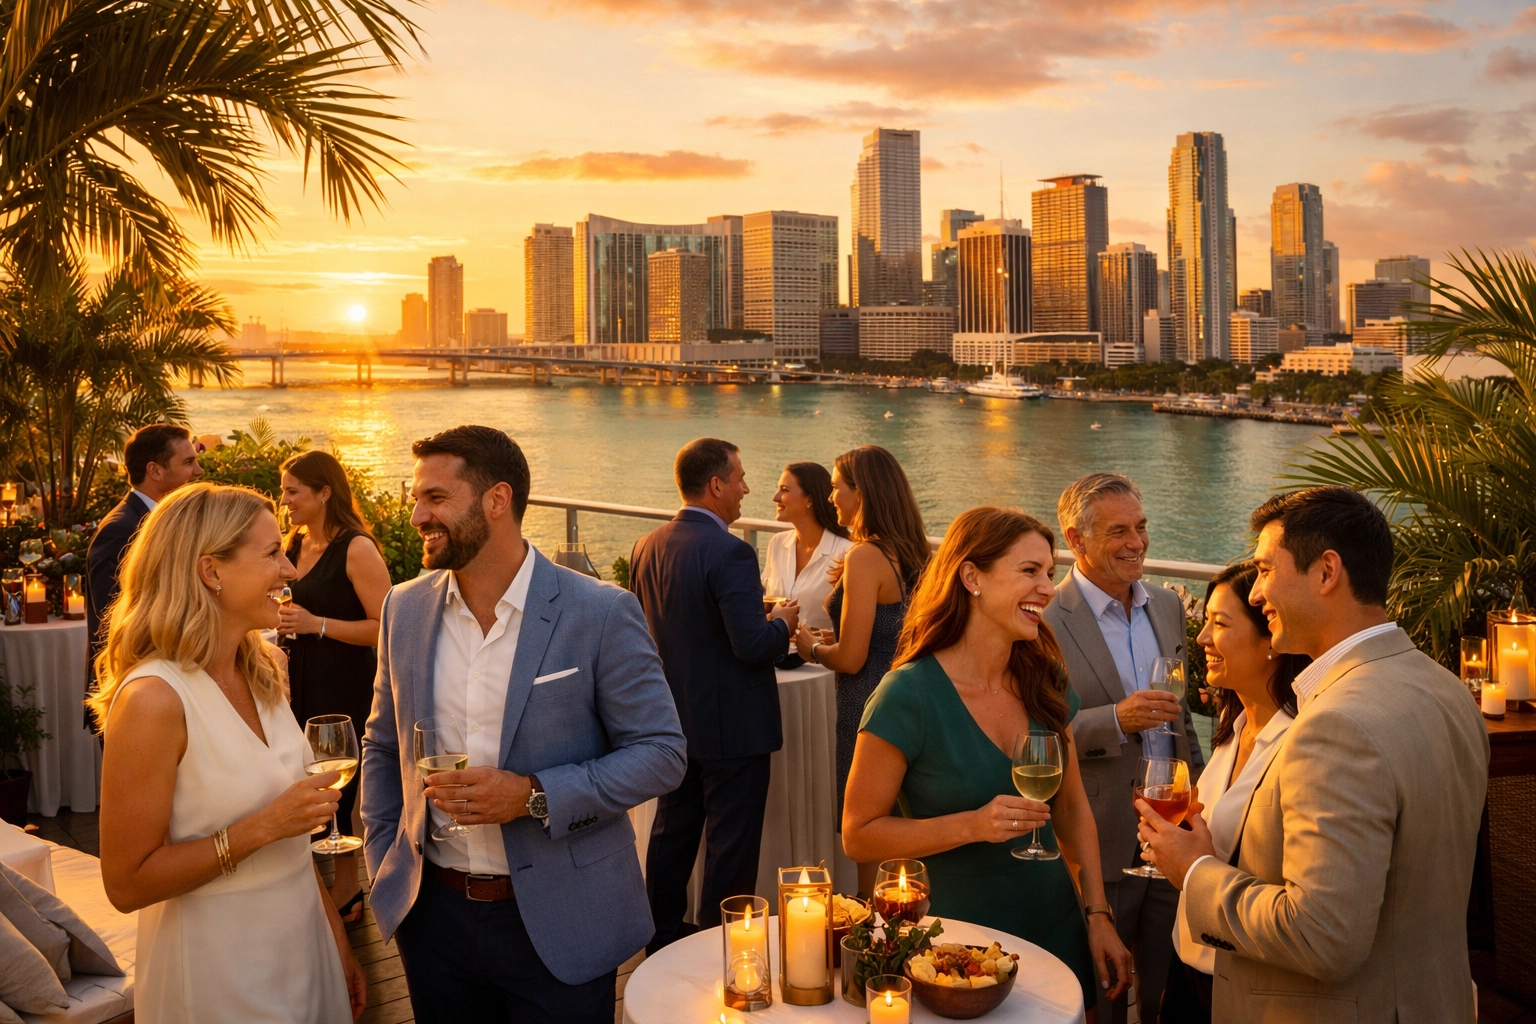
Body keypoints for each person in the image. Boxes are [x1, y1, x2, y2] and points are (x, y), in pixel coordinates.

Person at [361, 425, 687, 1023]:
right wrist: (386, 858)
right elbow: (383, 745)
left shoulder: (601, 611)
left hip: (562, 923)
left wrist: (534, 795)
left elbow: (662, 752)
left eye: (435, 498)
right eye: (416, 498)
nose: (417, 515)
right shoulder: (402, 608)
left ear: (496, 500)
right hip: (433, 918)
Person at [1140, 487, 1490, 1024]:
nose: (1256, 593)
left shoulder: (1335, 724)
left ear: (1327, 572)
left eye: (1264, 569)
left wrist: (1196, 870)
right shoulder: (1446, 691)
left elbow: (1321, 935)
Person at [90, 482, 365, 1023]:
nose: (289, 570)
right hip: (220, 972)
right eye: (272, 554)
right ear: (211, 571)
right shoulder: (155, 699)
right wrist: (261, 827)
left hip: (303, 950)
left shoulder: (261, 670)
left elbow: (294, 836)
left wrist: (338, 940)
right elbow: (125, 884)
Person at [845, 506, 1132, 1018]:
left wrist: (1097, 915)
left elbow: (1072, 810)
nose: (1047, 587)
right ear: (971, 576)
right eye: (1029, 571)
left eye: (1049, 572)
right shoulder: (907, 695)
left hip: (1055, 925)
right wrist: (974, 825)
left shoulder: (1046, 680)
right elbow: (859, 833)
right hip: (955, 945)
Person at [1040, 472, 1203, 1024]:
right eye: (1118, 531)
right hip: (1100, 840)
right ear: (1076, 538)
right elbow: (1032, 734)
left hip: (1173, 836)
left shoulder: (1165, 604)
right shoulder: (1044, 619)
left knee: (1167, 993)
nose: (1136, 542)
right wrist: (1114, 719)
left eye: (1141, 527)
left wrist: (1199, 793)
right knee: (1102, 999)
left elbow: (1180, 718)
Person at [630, 437, 800, 953]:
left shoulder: (647, 545)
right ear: (716, 485)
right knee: (730, 847)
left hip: (672, 719)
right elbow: (751, 645)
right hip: (735, 728)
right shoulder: (731, 551)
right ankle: (716, 946)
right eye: (741, 477)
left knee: (671, 833)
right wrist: (782, 624)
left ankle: (657, 939)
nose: (747, 488)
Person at [1160, 562, 1305, 1024]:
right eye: (1204, 623)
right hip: (1188, 962)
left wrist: (1193, 862)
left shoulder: (1299, 745)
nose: (1201, 639)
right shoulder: (1231, 731)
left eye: (1219, 624)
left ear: (1272, 641)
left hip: (1247, 988)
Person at [792, 444, 930, 894]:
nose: (831, 499)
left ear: (862, 493)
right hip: (911, 700)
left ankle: (873, 938)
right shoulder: (915, 553)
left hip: (867, 705)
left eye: (836, 488)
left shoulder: (866, 556)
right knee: (903, 830)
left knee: (869, 833)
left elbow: (851, 659)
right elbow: (891, 633)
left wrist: (812, 647)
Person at [277, 451, 393, 922]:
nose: (285, 501)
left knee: (337, 787)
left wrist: (315, 624)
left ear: (324, 493)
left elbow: (386, 625)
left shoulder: (357, 548)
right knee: (301, 780)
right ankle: (312, 885)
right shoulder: (292, 545)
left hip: (343, 683)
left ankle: (349, 887)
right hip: (293, 683)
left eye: (292, 492)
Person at [87, 424, 204, 683]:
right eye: (188, 462)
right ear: (155, 471)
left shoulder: (164, 521)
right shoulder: (121, 530)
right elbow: (112, 625)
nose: (199, 471)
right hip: (133, 685)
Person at [762, 461, 851, 633]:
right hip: (780, 653)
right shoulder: (777, 544)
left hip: (821, 657)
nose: (775, 497)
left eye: (784, 490)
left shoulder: (846, 552)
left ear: (810, 499)